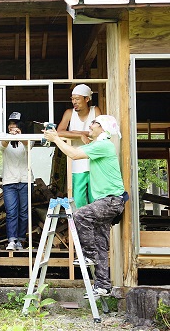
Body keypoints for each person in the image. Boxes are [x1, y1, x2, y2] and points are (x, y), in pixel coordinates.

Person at [43, 115, 126, 297]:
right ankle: (103, 285)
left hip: (111, 201)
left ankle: (89, 255)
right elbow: (76, 150)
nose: (90, 125)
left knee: (80, 215)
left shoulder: (103, 145)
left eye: (94, 123)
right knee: (101, 242)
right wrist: (80, 140)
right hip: (108, 201)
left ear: (103, 128)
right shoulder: (99, 145)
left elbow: (73, 154)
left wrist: (56, 138)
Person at [56, 84, 102, 208]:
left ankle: (96, 226)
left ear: (87, 99)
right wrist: (80, 136)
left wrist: (76, 132)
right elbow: (59, 132)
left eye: (77, 99)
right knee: (79, 199)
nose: (74, 102)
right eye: (72, 99)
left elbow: (101, 132)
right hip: (77, 162)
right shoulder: (69, 113)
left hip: (94, 162)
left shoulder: (95, 111)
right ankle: (82, 226)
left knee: (96, 199)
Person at [0, 112, 33, 251]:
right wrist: (10, 137)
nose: (12, 127)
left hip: (26, 179)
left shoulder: (28, 138)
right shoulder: (3, 138)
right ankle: (12, 240)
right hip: (9, 181)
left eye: (15, 124)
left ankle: (21, 240)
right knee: (11, 212)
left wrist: (20, 136)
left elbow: (28, 146)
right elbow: (2, 146)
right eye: (10, 125)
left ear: (21, 125)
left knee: (24, 212)